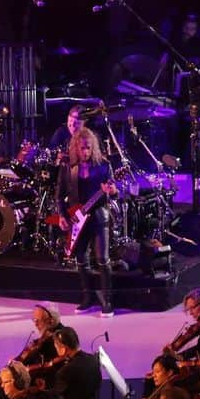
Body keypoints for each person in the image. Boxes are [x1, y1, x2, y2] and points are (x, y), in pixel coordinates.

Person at [56, 127, 117, 316]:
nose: (85, 152)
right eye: (82, 148)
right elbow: (59, 196)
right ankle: (87, 298)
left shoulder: (104, 165)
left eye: (88, 148)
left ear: (94, 147)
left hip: (99, 218)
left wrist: (112, 191)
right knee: (81, 260)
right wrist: (62, 216)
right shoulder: (68, 167)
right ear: (75, 147)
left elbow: (114, 190)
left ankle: (107, 301)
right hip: (77, 219)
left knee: (102, 259)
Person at [49, 326, 101, 399]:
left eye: (56, 346)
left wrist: (40, 392)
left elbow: (54, 396)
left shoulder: (64, 372)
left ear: (63, 348)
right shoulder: (93, 360)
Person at [19, 301, 76, 370]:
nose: (35, 324)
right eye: (34, 320)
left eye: (38, 321)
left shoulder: (62, 338)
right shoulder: (48, 331)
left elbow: (57, 363)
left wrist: (27, 368)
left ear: (50, 321)